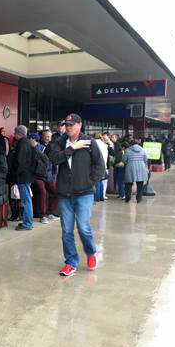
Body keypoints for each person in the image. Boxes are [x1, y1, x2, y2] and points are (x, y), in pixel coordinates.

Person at [47, 113, 105, 277]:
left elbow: (100, 165)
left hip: (84, 193)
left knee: (83, 228)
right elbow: (54, 159)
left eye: (72, 124)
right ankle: (71, 262)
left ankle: (91, 252)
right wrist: (73, 148)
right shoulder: (60, 142)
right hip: (65, 194)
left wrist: (89, 182)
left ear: (80, 125)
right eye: (67, 124)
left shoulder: (89, 142)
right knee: (66, 230)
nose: (69, 127)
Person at [10, 125, 34, 231]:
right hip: (26, 175)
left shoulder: (22, 143)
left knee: (26, 200)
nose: (14, 134)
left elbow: (20, 162)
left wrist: (15, 175)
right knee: (26, 199)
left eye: (15, 133)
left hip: (23, 177)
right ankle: (27, 221)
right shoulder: (26, 142)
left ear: (18, 133)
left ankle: (27, 223)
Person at [39, 130, 59, 221]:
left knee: (57, 193)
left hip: (50, 176)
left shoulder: (53, 146)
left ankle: (50, 212)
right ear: (42, 136)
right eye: (46, 136)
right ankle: (42, 216)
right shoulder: (38, 146)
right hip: (39, 176)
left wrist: (54, 176)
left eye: (49, 137)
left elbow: (54, 163)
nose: (47, 138)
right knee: (42, 193)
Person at [123, 139, 148, 203]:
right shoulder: (142, 150)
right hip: (141, 168)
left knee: (128, 184)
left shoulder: (127, 150)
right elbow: (145, 159)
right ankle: (139, 198)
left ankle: (128, 198)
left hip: (130, 167)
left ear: (131, 144)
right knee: (140, 184)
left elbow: (124, 160)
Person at [93, 133, 109, 202]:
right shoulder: (104, 145)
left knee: (97, 182)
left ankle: (97, 197)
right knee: (101, 182)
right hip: (104, 165)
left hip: (96, 165)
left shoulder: (94, 143)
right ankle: (101, 196)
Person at [111, 134, 126, 199]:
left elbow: (117, 157)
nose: (112, 138)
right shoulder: (115, 145)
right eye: (111, 137)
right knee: (118, 180)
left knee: (120, 181)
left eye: (113, 137)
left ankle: (122, 194)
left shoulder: (118, 145)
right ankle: (121, 194)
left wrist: (113, 161)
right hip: (117, 166)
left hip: (119, 166)